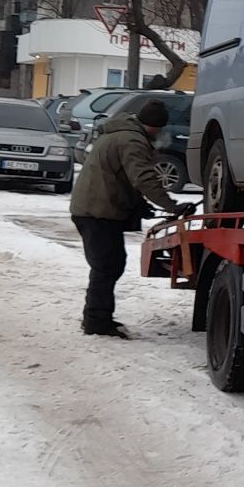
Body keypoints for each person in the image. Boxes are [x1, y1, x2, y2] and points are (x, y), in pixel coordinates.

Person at [69, 96, 189, 337]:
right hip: (98, 212)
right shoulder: (132, 141)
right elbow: (142, 178)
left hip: (94, 209)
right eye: (159, 129)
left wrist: (140, 205)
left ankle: (97, 317)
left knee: (109, 264)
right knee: (107, 266)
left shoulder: (120, 133)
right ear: (155, 126)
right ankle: (96, 321)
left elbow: (121, 177)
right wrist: (171, 205)